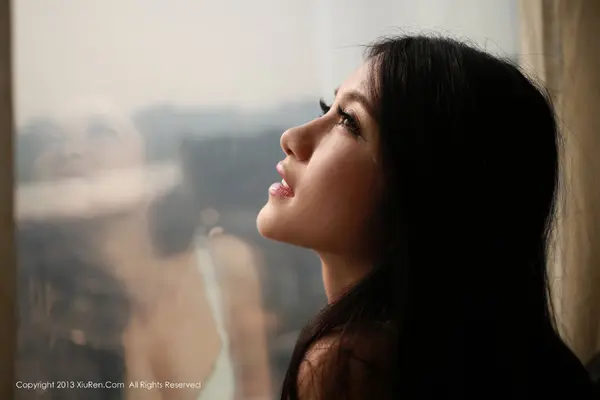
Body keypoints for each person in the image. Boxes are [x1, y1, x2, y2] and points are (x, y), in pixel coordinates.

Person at [256, 35, 597, 399]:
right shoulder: (516, 356)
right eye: (327, 107)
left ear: (428, 185)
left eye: (348, 121)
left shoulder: (352, 365)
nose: (292, 137)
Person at [15, 99, 272, 400]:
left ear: (152, 158)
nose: (70, 150)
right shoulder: (31, 300)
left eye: (101, 131)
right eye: (53, 139)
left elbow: (258, 391)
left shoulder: (225, 266)